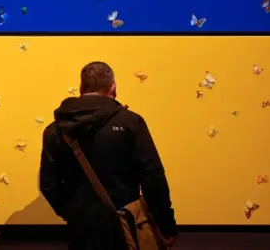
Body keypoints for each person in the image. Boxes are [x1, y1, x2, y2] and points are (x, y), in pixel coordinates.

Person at [39, 61, 177, 250]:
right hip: (126, 226)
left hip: (80, 231)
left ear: (81, 87)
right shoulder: (130, 122)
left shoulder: (55, 130)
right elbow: (153, 178)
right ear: (113, 87)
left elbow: (48, 185)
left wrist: (71, 213)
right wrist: (166, 225)